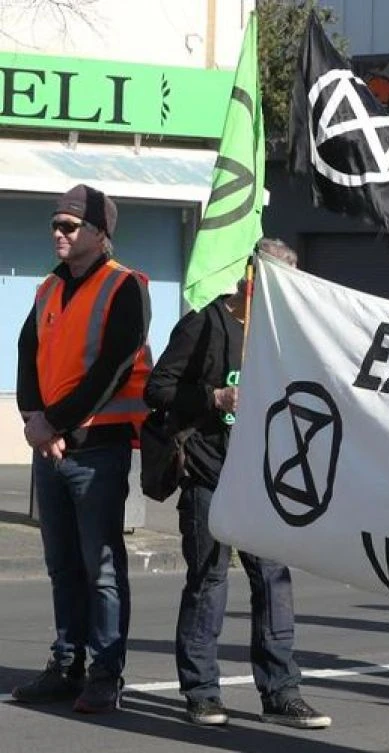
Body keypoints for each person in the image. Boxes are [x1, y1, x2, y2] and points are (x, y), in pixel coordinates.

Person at [143, 239, 331, 729]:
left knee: (274, 582)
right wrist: (214, 396)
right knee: (208, 581)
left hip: (267, 483)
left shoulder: (291, 334)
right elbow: (157, 388)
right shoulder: (206, 323)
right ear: (252, 276)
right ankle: (202, 692)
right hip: (211, 475)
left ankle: (281, 692)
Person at [12, 185, 151, 714]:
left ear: (100, 233)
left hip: (99, 450)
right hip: (51, 446)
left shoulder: (126, 287)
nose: (58, 233)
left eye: (69, 226)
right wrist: (34, 419)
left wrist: (57, 422)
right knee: (61, 566)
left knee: (102, 568)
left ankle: (105, 672)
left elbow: (113, 366)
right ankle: (65, 664)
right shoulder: (48, 288)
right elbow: (28, 353)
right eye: (55, 224)